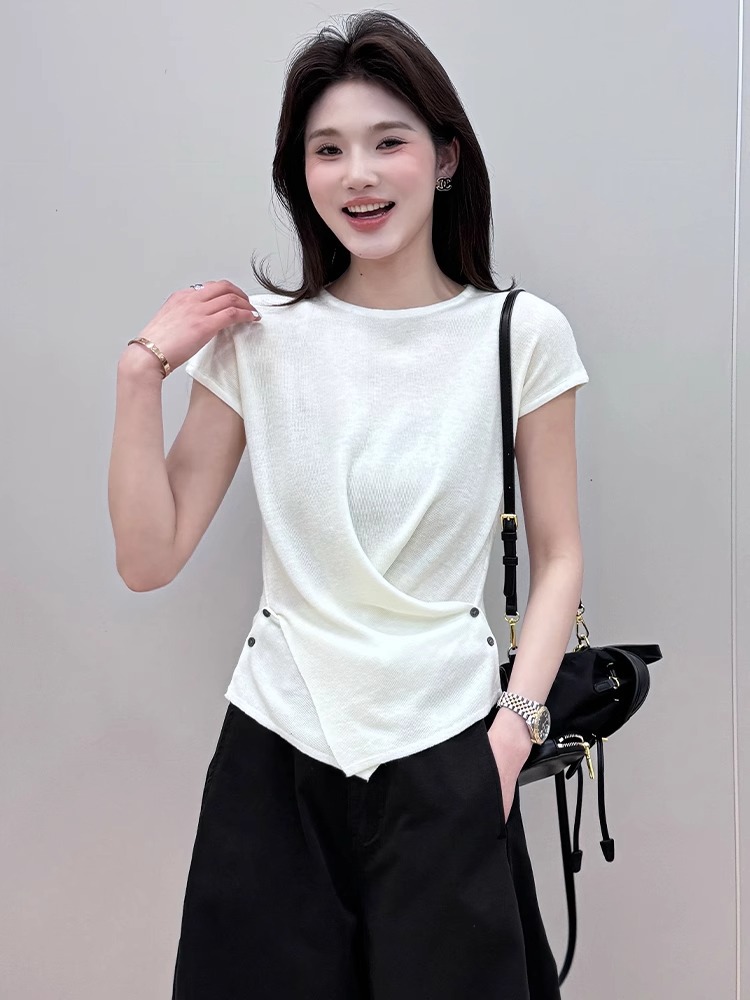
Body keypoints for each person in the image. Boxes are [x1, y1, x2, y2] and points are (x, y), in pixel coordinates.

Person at [108, 10, 589, 999]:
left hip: (450, 745)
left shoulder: (520, 334)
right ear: (301, 174)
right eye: (327, 149)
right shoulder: (257, 339)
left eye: (387, 142)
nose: (357, 175)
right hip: (276, 747)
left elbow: (560, 554)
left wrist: (511, 736)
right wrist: (139, 373)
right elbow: (148, 559)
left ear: (445, 158)